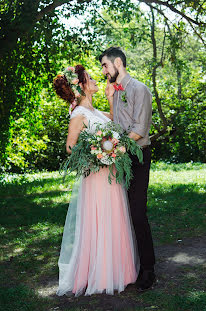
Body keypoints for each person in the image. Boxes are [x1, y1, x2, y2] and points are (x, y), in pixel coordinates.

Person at [53, 64, 139, 297]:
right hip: (96, 175)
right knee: (100, 220)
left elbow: (115, 124)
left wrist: (112, 97)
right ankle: (100, 275)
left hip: (110, 174)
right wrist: (97, 154)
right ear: (81, 86)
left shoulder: (94, 111)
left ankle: (118, 271)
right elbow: (70, 147)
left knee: (114, 218)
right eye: (90, 78)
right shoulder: (79, 114)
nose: (94, 80)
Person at [99, 47, 156, 291]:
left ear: (118, 63)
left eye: (105, 65)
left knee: (137, 213)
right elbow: (115, 123)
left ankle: (148, 269)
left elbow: (139, 129)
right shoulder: (116, 90)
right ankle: (127, 266)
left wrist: (113, 148)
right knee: (121, 214)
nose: (103, 71)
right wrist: (110, 100)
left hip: (137, 156)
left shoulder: (139, 89)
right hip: (120, 157)